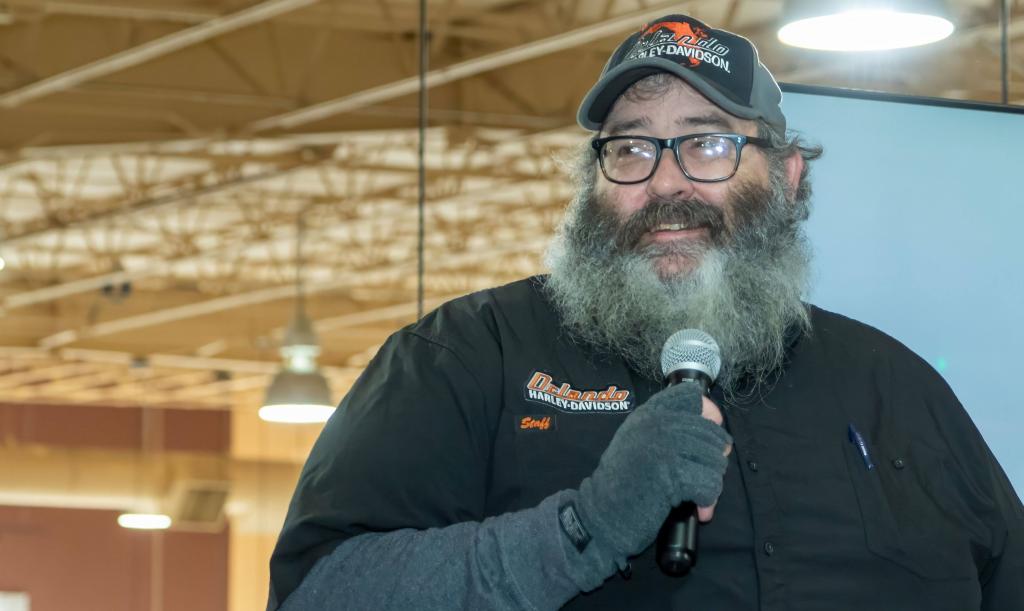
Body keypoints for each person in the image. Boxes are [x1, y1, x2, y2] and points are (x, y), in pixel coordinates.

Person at [266, 13, 1024, 610]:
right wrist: (584, 527)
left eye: (708, 145)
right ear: (592, 181)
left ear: (787, 176)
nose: (664, 183)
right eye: (630, 149)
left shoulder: (896, 389)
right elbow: (319, 592)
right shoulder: (465, 357)